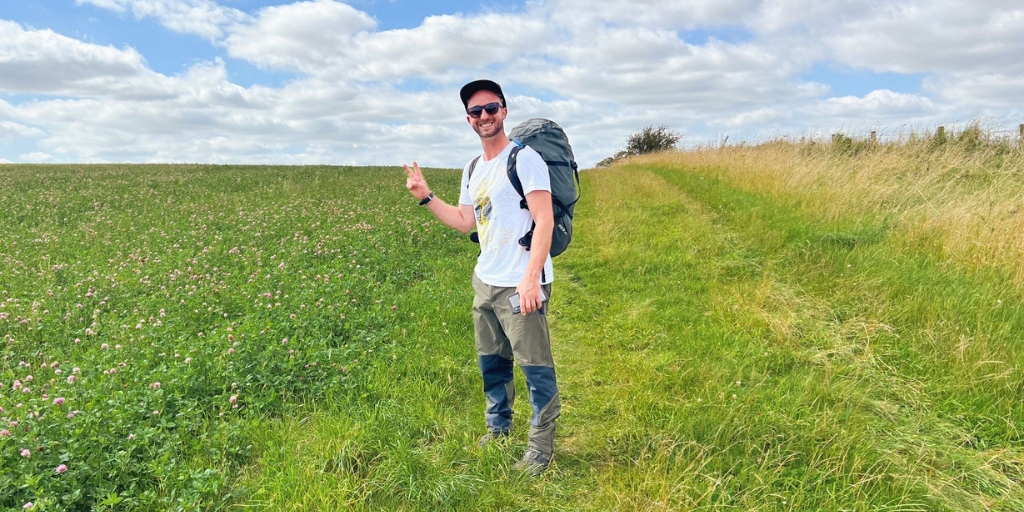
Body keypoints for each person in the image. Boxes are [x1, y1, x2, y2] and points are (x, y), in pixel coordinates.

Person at [403, 79, 560, 475]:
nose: (484, 116)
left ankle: (540, 448)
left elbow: (545, 220)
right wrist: (425, 196)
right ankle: (498, 430)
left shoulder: (524, 159)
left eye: (491, 108)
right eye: (476, 112)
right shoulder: (473, 168)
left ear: (504, 111)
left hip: (520, 282)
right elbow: (464, 221)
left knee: (534, 366)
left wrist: (531, 280)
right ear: (468, 120)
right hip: (485, 281)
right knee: (493, 364)